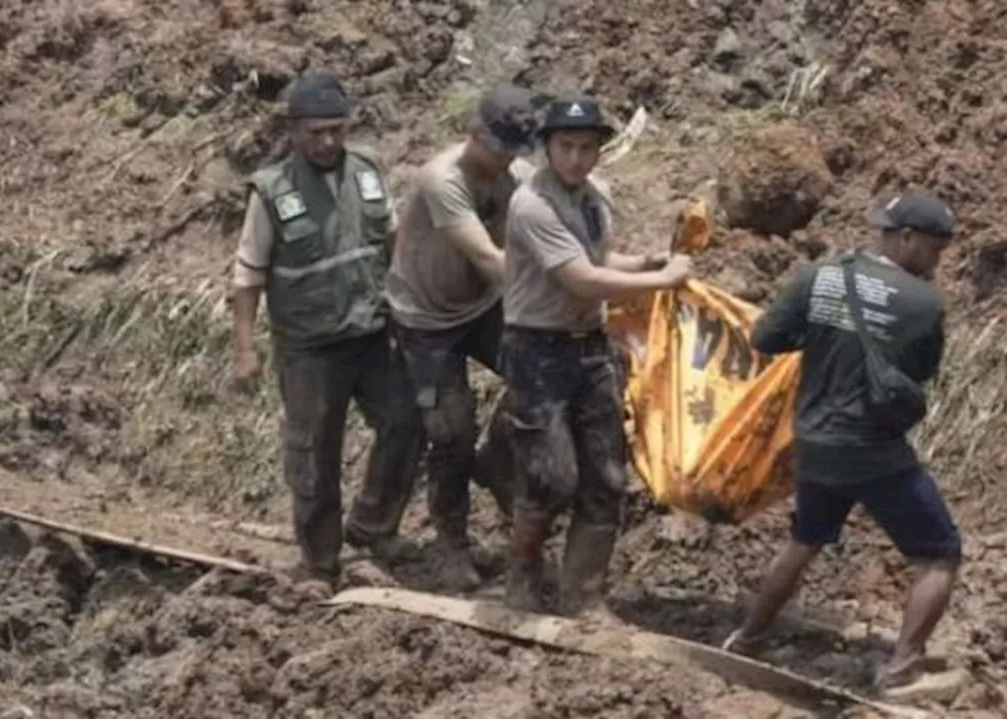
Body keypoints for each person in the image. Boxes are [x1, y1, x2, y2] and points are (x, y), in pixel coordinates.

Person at [721, 191, 962, 691]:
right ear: (908, 238)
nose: (937, 263)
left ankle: (747, 638)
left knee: (805, 541)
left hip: (814, 441)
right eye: (935, 251)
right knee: (939, 552)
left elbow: (766, 339)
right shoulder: (924, 303)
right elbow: (920, 372)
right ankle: (901, 669)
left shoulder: (820, 276)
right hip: (873, 451)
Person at [230, 71, 425, 592]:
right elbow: (247, 274)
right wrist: (245, 347)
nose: (328, 142)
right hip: (310, 348)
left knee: (407, 421)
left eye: (336, 130)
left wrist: (409, 303)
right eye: (316, 132)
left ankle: (374, 526)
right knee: (314, 454)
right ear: (292, 131)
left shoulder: (366, 170)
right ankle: (320, 562)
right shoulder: (272, 192)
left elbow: (391, 239)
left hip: (370, 332)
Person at [499, 94, 693, 616]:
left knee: (607, 476)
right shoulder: (531, 205)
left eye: (587, 148)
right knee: (551, 475)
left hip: (586, 347)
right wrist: (660, 280)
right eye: (566, 147)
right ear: (546, 148)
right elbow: (581, 279)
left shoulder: (593, 197)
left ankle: (583, 595)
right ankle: (521, 573)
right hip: (536, 346)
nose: (577, 159)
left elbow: (599, 259)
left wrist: (646, 261)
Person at [384, 83, 540, 590]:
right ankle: (451, 545)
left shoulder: (517, 175)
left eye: (514, 151)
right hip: (426, 317)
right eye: (499, 148)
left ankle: (497, 454)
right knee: (450, 432)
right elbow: (490, 259)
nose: (505, 161)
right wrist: (567, 276)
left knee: (541, 374)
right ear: (474, 135)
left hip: (480, 306)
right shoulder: (441, 180)